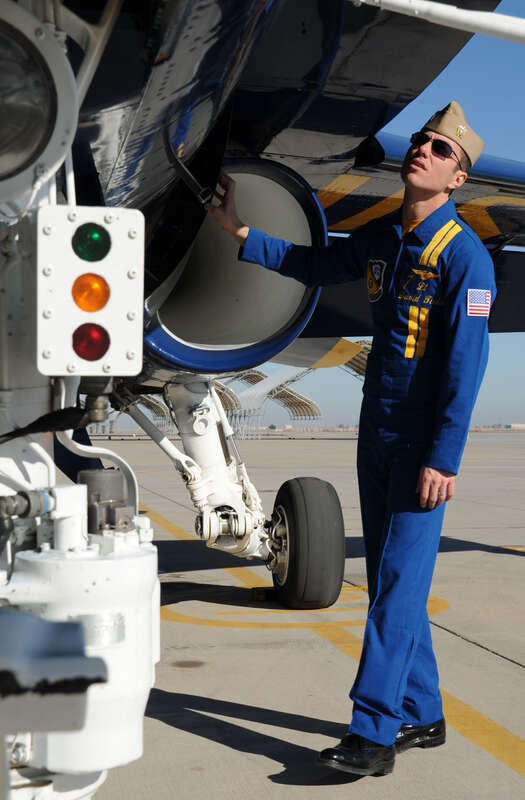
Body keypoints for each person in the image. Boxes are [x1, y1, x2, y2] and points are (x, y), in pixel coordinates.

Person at [206, 101, 496, 777]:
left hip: (423, 441)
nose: (421, 151)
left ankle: (373, 733)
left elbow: (465, 368)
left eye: (439, 150)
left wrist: (443, 457)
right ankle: (421, 712)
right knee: (391, 583)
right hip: (377, 427)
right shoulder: (381, 239)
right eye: (420, 142)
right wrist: (239, 231)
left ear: (456, 179)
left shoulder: (465, 261)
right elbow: (312, 265)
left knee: (395, 584)